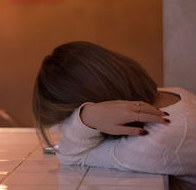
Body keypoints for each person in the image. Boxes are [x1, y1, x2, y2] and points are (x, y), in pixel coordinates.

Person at [33, 41, 196, 187]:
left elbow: (71, 153)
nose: (67, 123)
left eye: (69, 116)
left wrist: (87, 116)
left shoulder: (158, 140)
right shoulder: (172, 94)